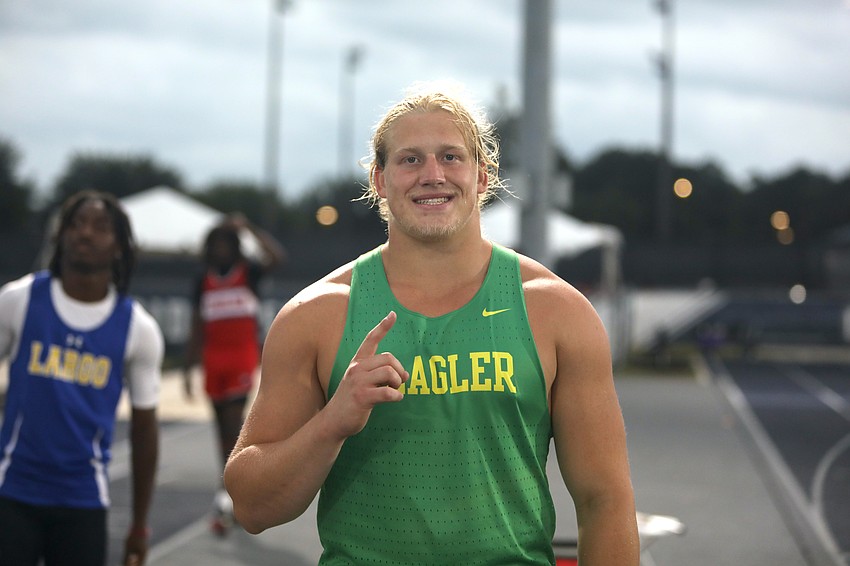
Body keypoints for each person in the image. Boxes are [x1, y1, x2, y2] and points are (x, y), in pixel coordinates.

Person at [224, 83, 640, 564]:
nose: (433, 175)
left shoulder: (556, 313)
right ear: (379, 179)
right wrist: (330, 424)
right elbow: (252, 506)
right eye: (410, 160)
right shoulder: (316, 316)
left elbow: (605, 501)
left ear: (483, 176)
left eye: (450, 157)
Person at [0, 190, 164, 565]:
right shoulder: (19, 300)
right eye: (76, 224)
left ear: (120, 246)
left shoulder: (138, 329)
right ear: (61, 235)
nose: (85, 233)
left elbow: (144, 431)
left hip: (83, 501)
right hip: (12, 493)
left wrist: (139, 525)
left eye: (100, 227)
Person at [183, 212, 285, 534]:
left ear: (236, 248)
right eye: (216, 245)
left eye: (227, 245)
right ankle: (229, 485)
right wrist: (188, 367)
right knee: (220, 431)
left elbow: (277, 257)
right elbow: (196, 327)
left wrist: (251, 227)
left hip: (241, 358)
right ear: (209, 249)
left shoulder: (249, 273)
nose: (221, 251)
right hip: (213, 361)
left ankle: (233, 491)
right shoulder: (202, 281)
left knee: (233, 423)